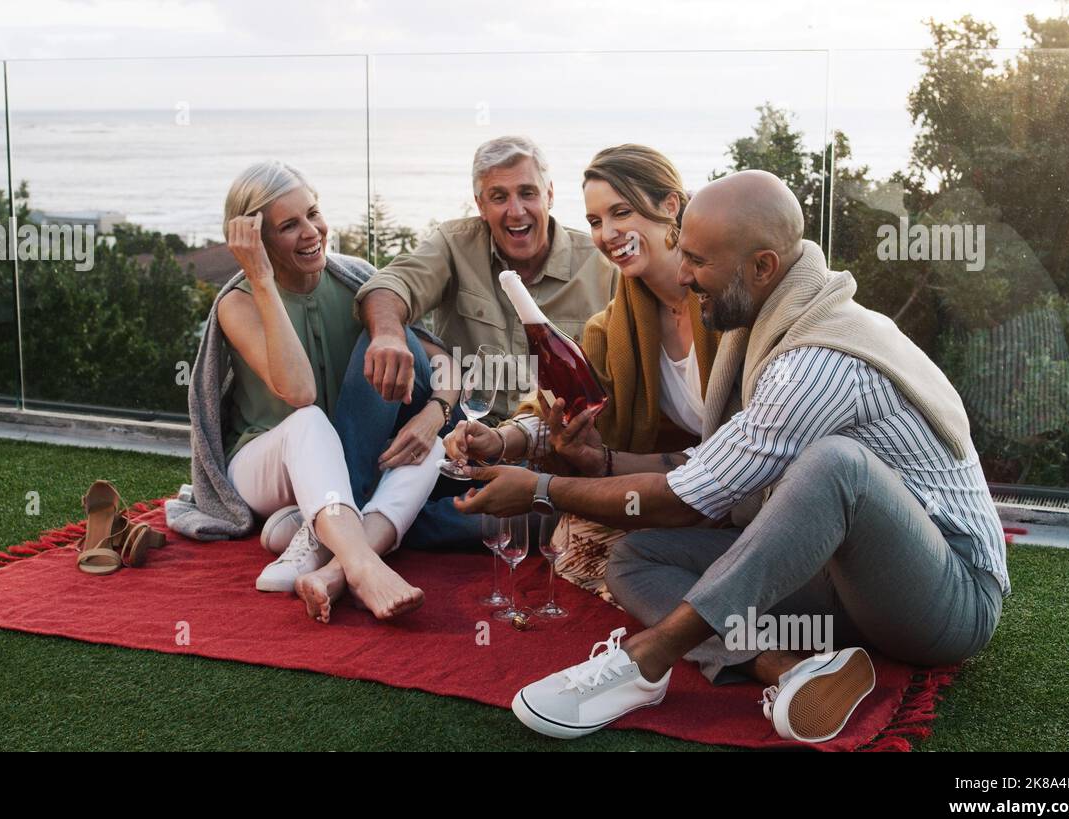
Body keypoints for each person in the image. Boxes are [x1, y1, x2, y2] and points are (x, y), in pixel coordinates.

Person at [456, 170, 1008, 744]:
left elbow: (686, 500)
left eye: (697, 260)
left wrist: (538, 489)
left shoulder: (818, 360)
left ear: (763, 267)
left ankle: (646, 661)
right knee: (636, 559)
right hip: (848, 583)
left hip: (946, 599)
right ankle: (790, 673)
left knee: (838, 465)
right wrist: (593, 463)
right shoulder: (771, 324)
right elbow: (711, 469)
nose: (686, 275)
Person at [173, 159, 459, 623]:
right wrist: (263, 279)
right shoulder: (239, 302)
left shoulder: (356, 278)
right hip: (267, 462)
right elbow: (300, 392)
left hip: (345, 463)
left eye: (313, 212)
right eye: (289, 225)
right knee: (308, 422)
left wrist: (435, 413)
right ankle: (363, 565)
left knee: (427, 447)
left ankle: (326, 563)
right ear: (259, 242)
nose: (312, 231)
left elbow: (439, 357)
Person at [444, 144, 732, 601]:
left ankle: (705, 593)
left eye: (622, 212)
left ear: (669, 206)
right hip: (682, 484)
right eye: (596, 222)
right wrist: (498, 441)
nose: (608, 233)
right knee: (572, 540)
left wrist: (578, 476)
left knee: (598, 545)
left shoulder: (724, 299)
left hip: (744, 484)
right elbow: (561, 406)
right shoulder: (614, 325)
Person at [349, 135, 618, 548]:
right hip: (457, 437)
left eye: (527, 193)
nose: (516, 210)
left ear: (548, 194)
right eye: (499, 196)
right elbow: (390, 284)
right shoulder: (456, 244)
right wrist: (388, 335)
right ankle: (348, 498)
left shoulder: (600, 266)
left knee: (505, 524)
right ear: (480, 205)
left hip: (543, 455)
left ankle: (368, 521)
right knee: (386, 336)